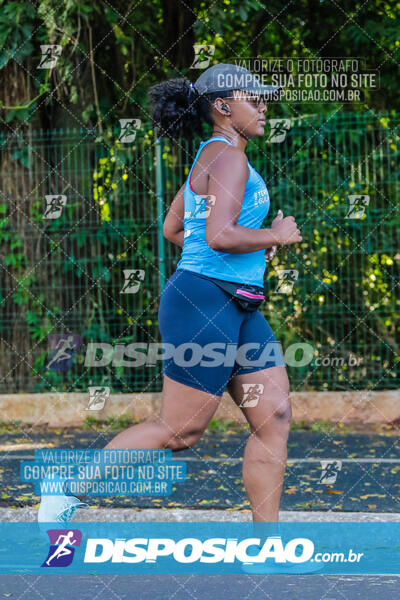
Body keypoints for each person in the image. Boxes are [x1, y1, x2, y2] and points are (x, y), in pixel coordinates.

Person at [38, 63, 302, 533]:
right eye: (253, 98)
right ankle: (66, 488)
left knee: (275, 415)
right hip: (205, 303)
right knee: (181, 430)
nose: (264, 106)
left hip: (236, 303)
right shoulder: (229, 159)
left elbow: (174, 229)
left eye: (264, 98)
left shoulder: (212, 154)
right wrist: (275, 235)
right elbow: (219, 235)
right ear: (222, 106)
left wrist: (214, 258)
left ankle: (268, 545)